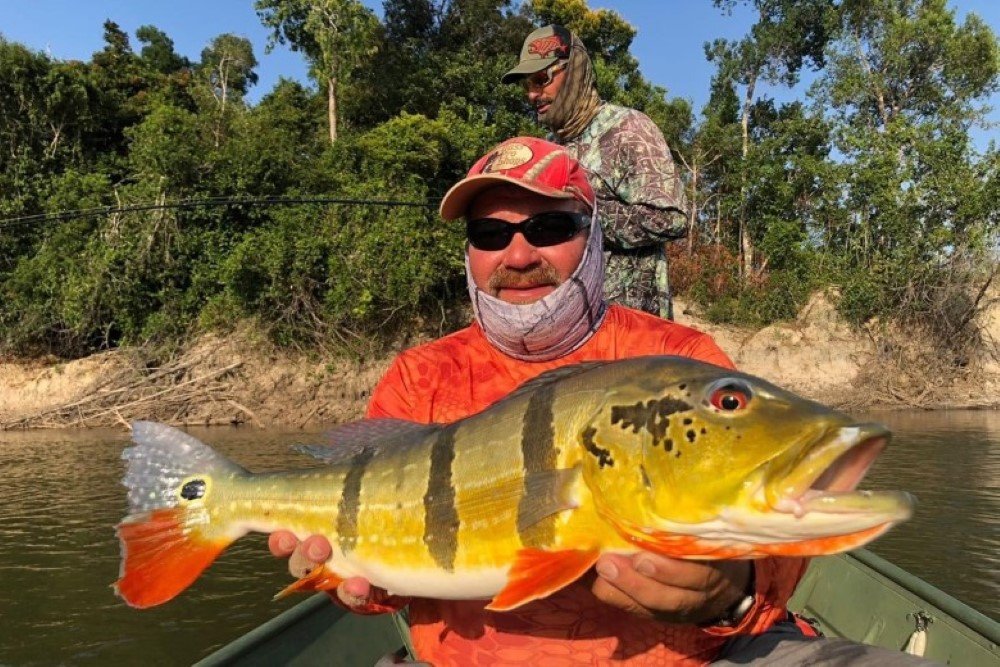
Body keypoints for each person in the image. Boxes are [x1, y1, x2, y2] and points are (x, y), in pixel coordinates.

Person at [270, 138, 932, 666]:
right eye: (489, 234)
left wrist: (731, 591)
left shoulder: (681, 356)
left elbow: (781, 549)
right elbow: (384, 573)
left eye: (549, 224)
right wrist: (339, 575)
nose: (519, 253)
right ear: (469, 254)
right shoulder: (419, 378)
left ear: (593, 239)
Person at [501, 24, 688, 320]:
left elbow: (670, 219)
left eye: (541, 79)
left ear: (573, 70)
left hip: (631, 331)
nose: (532, 95)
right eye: (527, 86)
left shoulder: (627, 128)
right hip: (569, 329)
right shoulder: (551, 151)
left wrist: (582, 210)